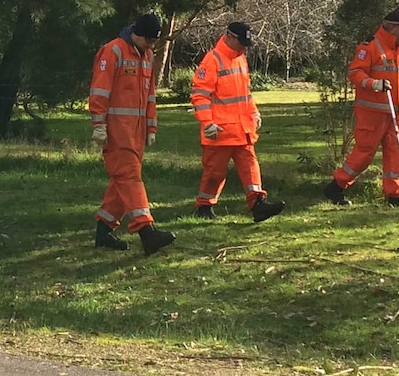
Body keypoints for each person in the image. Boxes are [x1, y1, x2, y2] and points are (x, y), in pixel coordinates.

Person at [88, 13, 176, 256]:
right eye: (149, 41)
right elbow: (99, 91)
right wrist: (99, 124)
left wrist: (151, 126)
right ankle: (147, 231)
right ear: (137, 34)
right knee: (129, 178)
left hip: (135, 132)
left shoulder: (146, 55)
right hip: (116, 131)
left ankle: (104, 230)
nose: (152, 47)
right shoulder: (112, 51)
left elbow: (150, 95)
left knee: (123, 181)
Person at [190, 22, 285, 222]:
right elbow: (200, 95)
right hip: (220, 131)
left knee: (250, 165)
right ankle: (204, 206)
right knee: (215, 173)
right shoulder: (212, 60)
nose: (243, 48)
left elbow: (245, 93)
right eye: (240, 43)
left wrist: (254, 112)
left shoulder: (240, 59)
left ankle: (258, 203)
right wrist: (207, 123)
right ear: (229, 36)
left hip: (243, 129)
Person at [324, 10, 399, 207]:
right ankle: (337, 185)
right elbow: (355, 72)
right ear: (391, 27)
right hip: (372, 113)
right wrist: (374, 84)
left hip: (393, 113)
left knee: (396, 153)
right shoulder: (371, 47)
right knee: (364, 153)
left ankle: (396, 195)